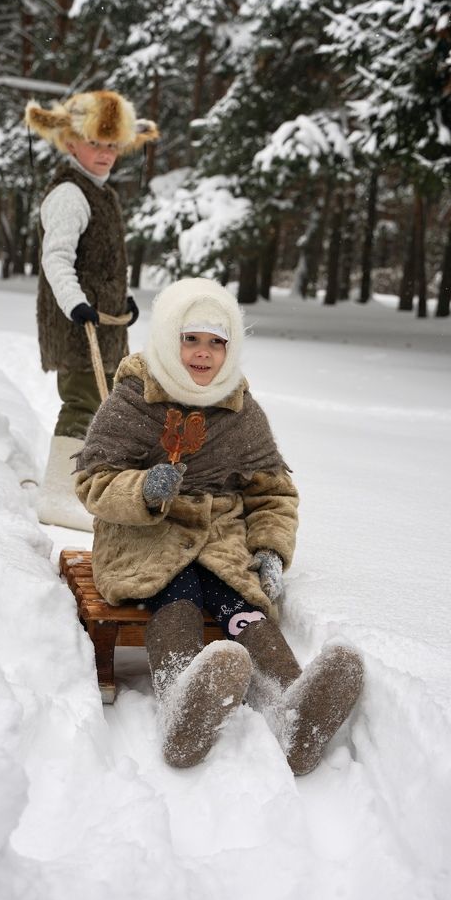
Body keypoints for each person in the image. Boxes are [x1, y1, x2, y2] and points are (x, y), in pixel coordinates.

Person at [74, 277, 364, 772]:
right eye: (190, 339)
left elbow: (272, 492)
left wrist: (270, 549)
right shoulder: (134, 398)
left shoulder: (239, 408)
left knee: (239, 599)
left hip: (220, 535)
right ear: (169, 337)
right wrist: (142, 489)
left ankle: (291, 706)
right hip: (142, 536)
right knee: (176, 587)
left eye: (216, 341)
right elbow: (92, 482)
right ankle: (180, 700)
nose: (203, 353)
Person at [24, 90, 159, 531]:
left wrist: (122, 299)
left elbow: (103, 261)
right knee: (83, 403)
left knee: (105, 405)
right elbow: (56, 258)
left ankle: (89, 488)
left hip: (105, 326)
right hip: (78, 326)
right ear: (70, 142)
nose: (105, 154)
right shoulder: (69, 194)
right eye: (95, 143)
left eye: (112, 145)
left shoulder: (101, 193)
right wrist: (75, 303)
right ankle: (58, 495)